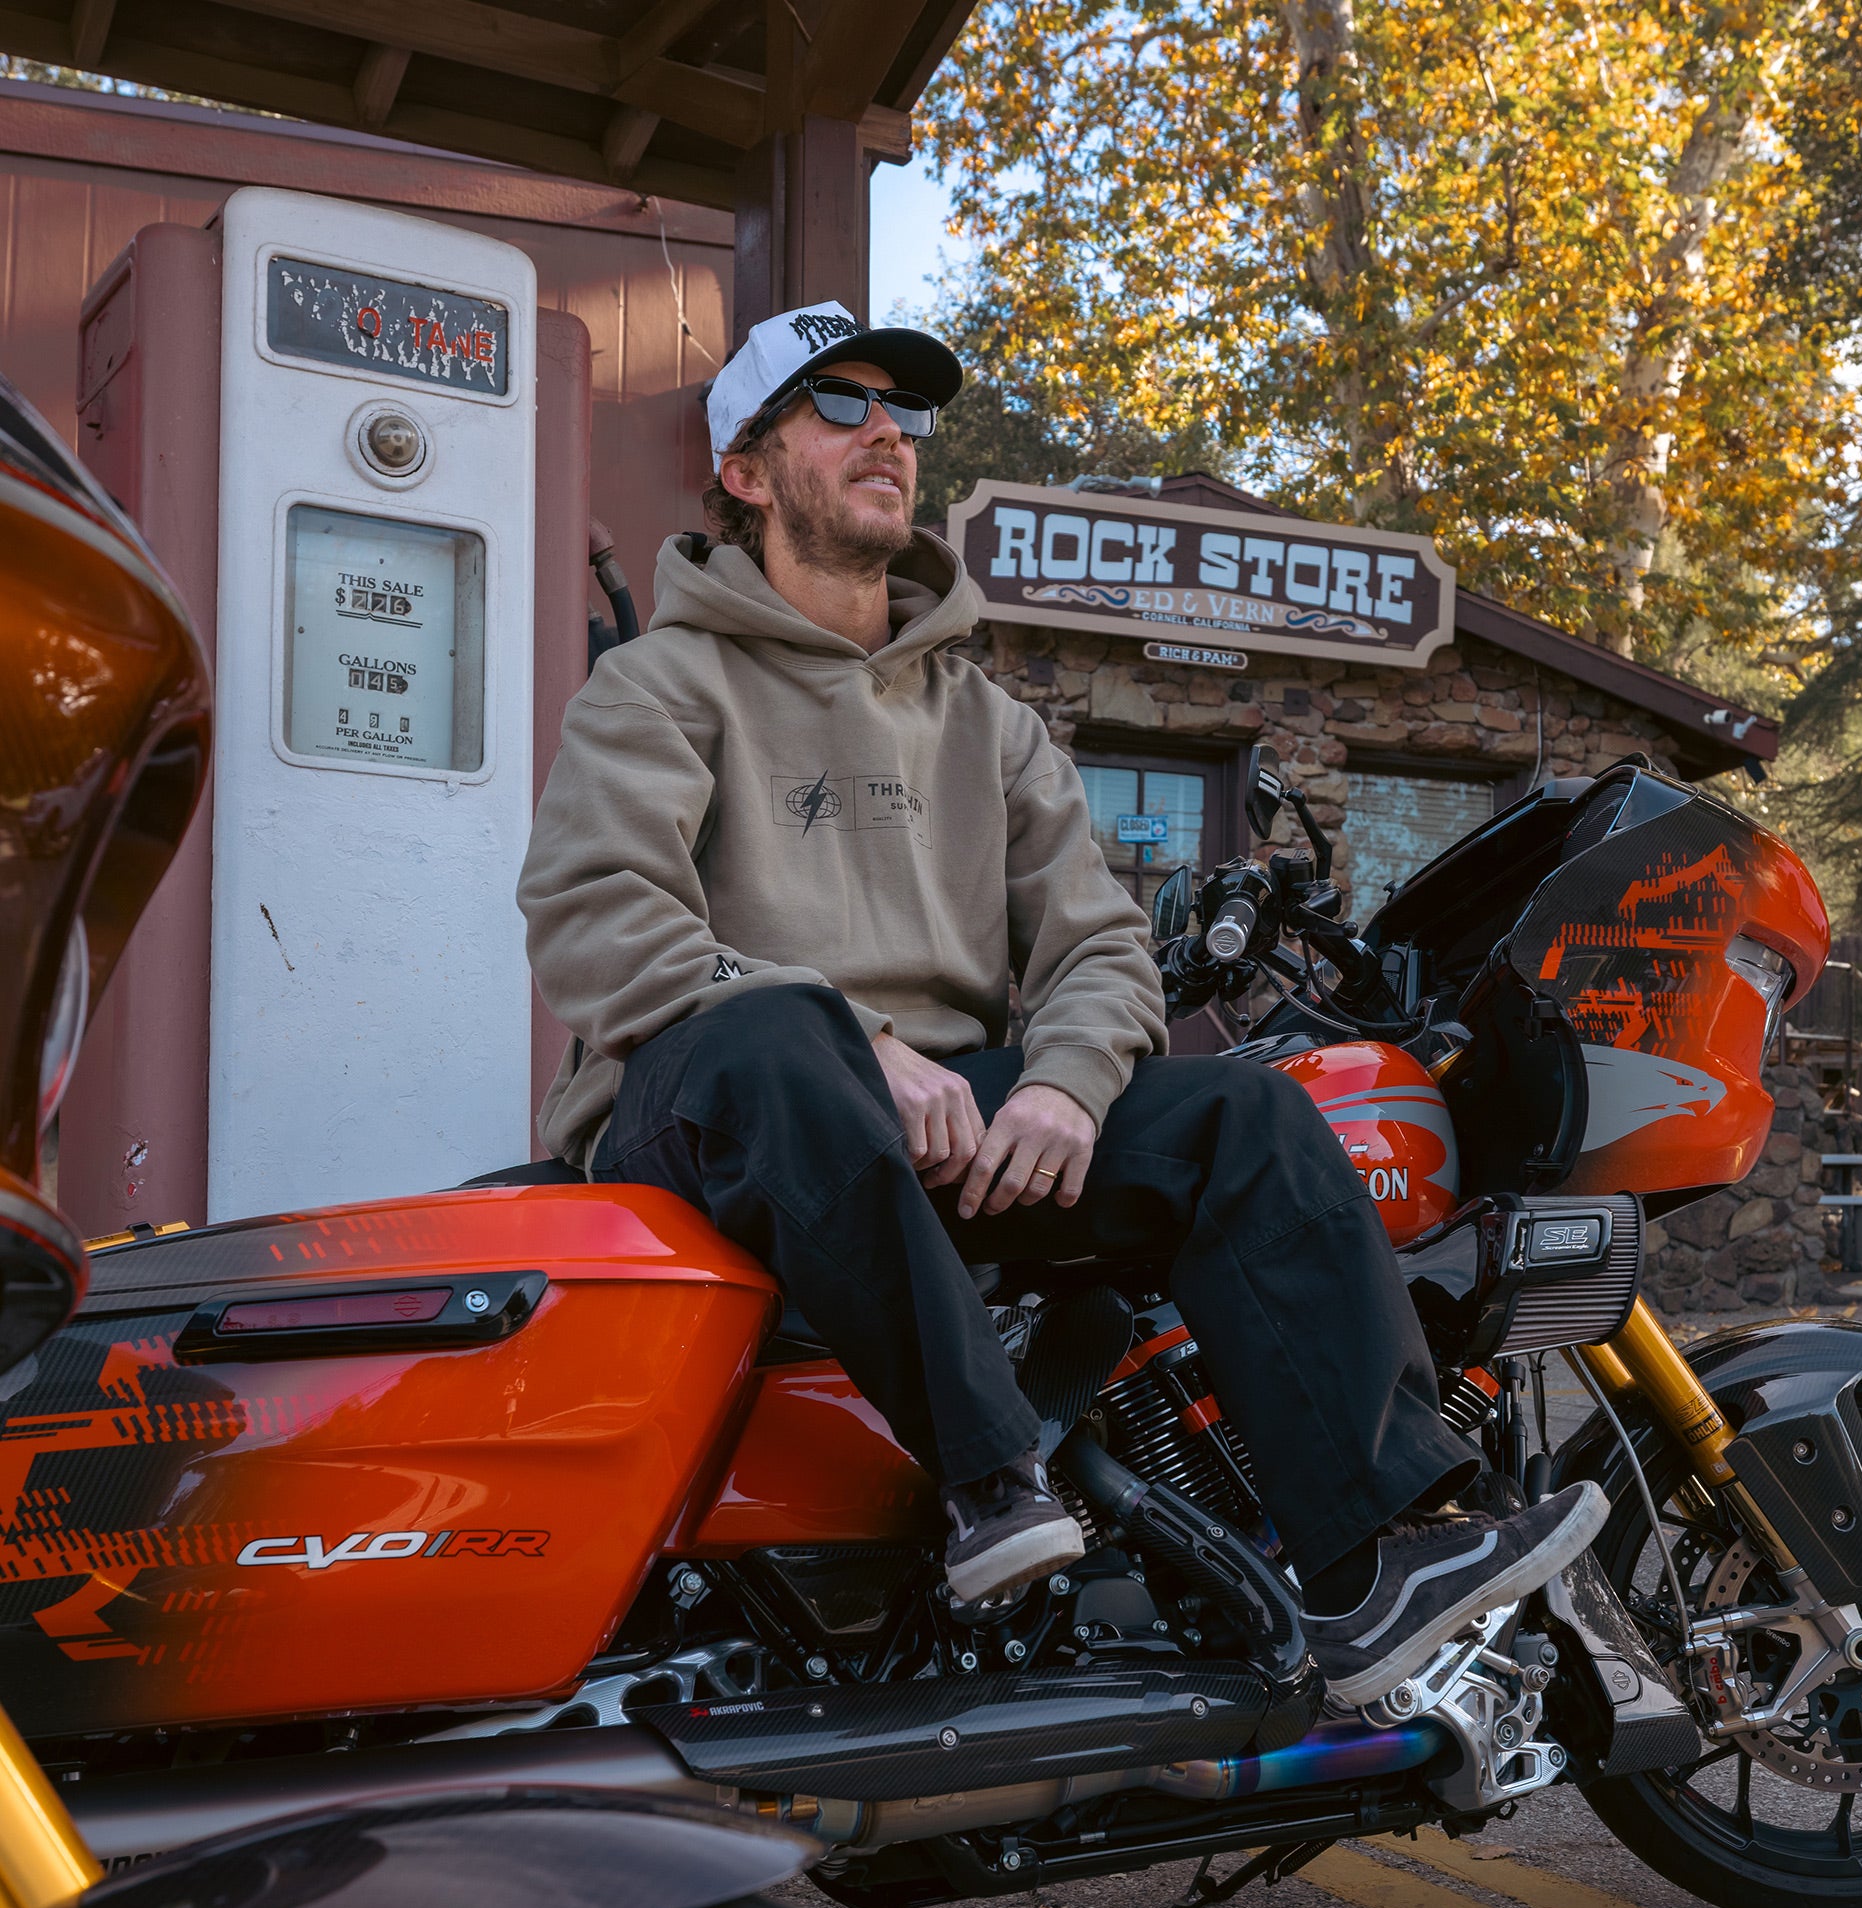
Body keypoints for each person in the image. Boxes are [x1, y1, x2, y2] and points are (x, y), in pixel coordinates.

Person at [517, 302, 1605, 1708]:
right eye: (838, 405)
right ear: (745, 471)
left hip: (931, 1131)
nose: (886, 435)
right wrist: (863, 1042)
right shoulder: (657, 687)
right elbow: (598, 921)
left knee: (1248, 1116)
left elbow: (1100, 946)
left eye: (904, 413)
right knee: (784, 1039)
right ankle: (991, 1486)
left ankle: (1372, 1560)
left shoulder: (988, 724)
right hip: (710, 1123)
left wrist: (1060, 1085)